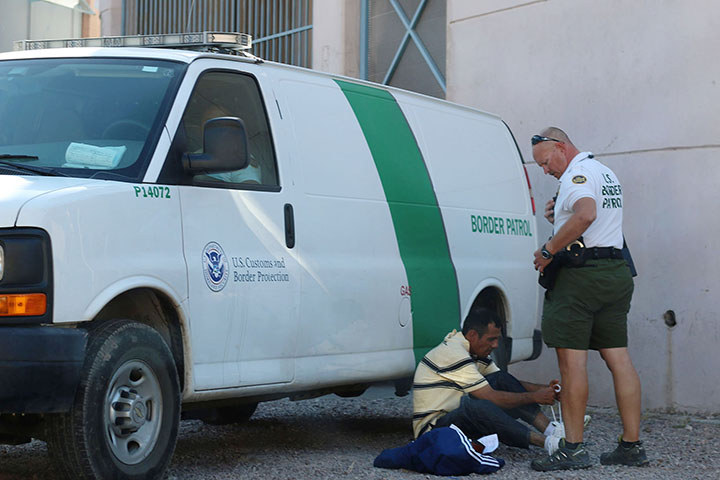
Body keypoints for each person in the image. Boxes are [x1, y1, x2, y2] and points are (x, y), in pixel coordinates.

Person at [530, 127, 648, 471]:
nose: (546, 169)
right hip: (615, 273)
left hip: (581, 278)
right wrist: (560, 217)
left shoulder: (577, 174)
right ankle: (631, 445)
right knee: (618, 358)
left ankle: (573, 449)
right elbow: (592, 217)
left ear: (561, 148)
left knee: (572, 363)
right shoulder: (604, 171)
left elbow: (586, 214)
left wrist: (548, 250)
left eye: (546, 161)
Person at [412, 308, 565, 456]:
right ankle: (548, 443)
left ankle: (552, 430)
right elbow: (491, 397)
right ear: (472, 335)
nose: (496, 345)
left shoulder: (473, 350)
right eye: (491, 339)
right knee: (476, 407)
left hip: (454, 420)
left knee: (501, 378)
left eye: (497, 339)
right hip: (433, 432)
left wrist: (544, 390)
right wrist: (535, 397)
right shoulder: (454, 353)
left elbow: (506, 383)